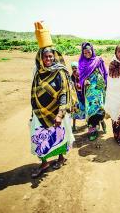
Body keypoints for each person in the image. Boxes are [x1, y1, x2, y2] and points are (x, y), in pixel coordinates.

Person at [30, 47, 75, 178]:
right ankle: (44, 163)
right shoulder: (37, 71)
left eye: (51, 56)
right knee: (39, 135)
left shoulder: (60, 71)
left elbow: (63, 93)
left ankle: (61, 158)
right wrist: (33, 112)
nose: (49, 59)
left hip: (57, 111)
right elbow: (33, 91)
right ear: (40, 58)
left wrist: (60, 114)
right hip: (40, 111)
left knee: (59, 135)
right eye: (46, 57)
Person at [78, 42, 108, 141]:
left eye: (88, 51)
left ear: (92, 50)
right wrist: (83, 81)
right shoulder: (81, 62)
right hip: (89, 90)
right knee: (90, 109)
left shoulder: (98, 60)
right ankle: (92, 130)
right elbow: (81, 77)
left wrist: (105, 85)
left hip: (99, 89)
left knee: (100, 107)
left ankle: (100, 120)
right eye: (85, 52)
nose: (87, 54)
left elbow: (105, 73)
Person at [104, 45, 120, 146]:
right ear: (116, 52)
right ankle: (117, 136)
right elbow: (112, 76)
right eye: (119, 51)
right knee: (117, 116)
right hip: (116, 95)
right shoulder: (113, 63)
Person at [70, 61, 86, 132]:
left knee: (87, 110)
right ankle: (73, 126)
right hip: (76, 97)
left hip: (83, 96)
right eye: (73, 68)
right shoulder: (71, 77)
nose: (74, 69)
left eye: (75, 68)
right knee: (75, 111)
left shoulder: (82, 75)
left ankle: (90, 124)